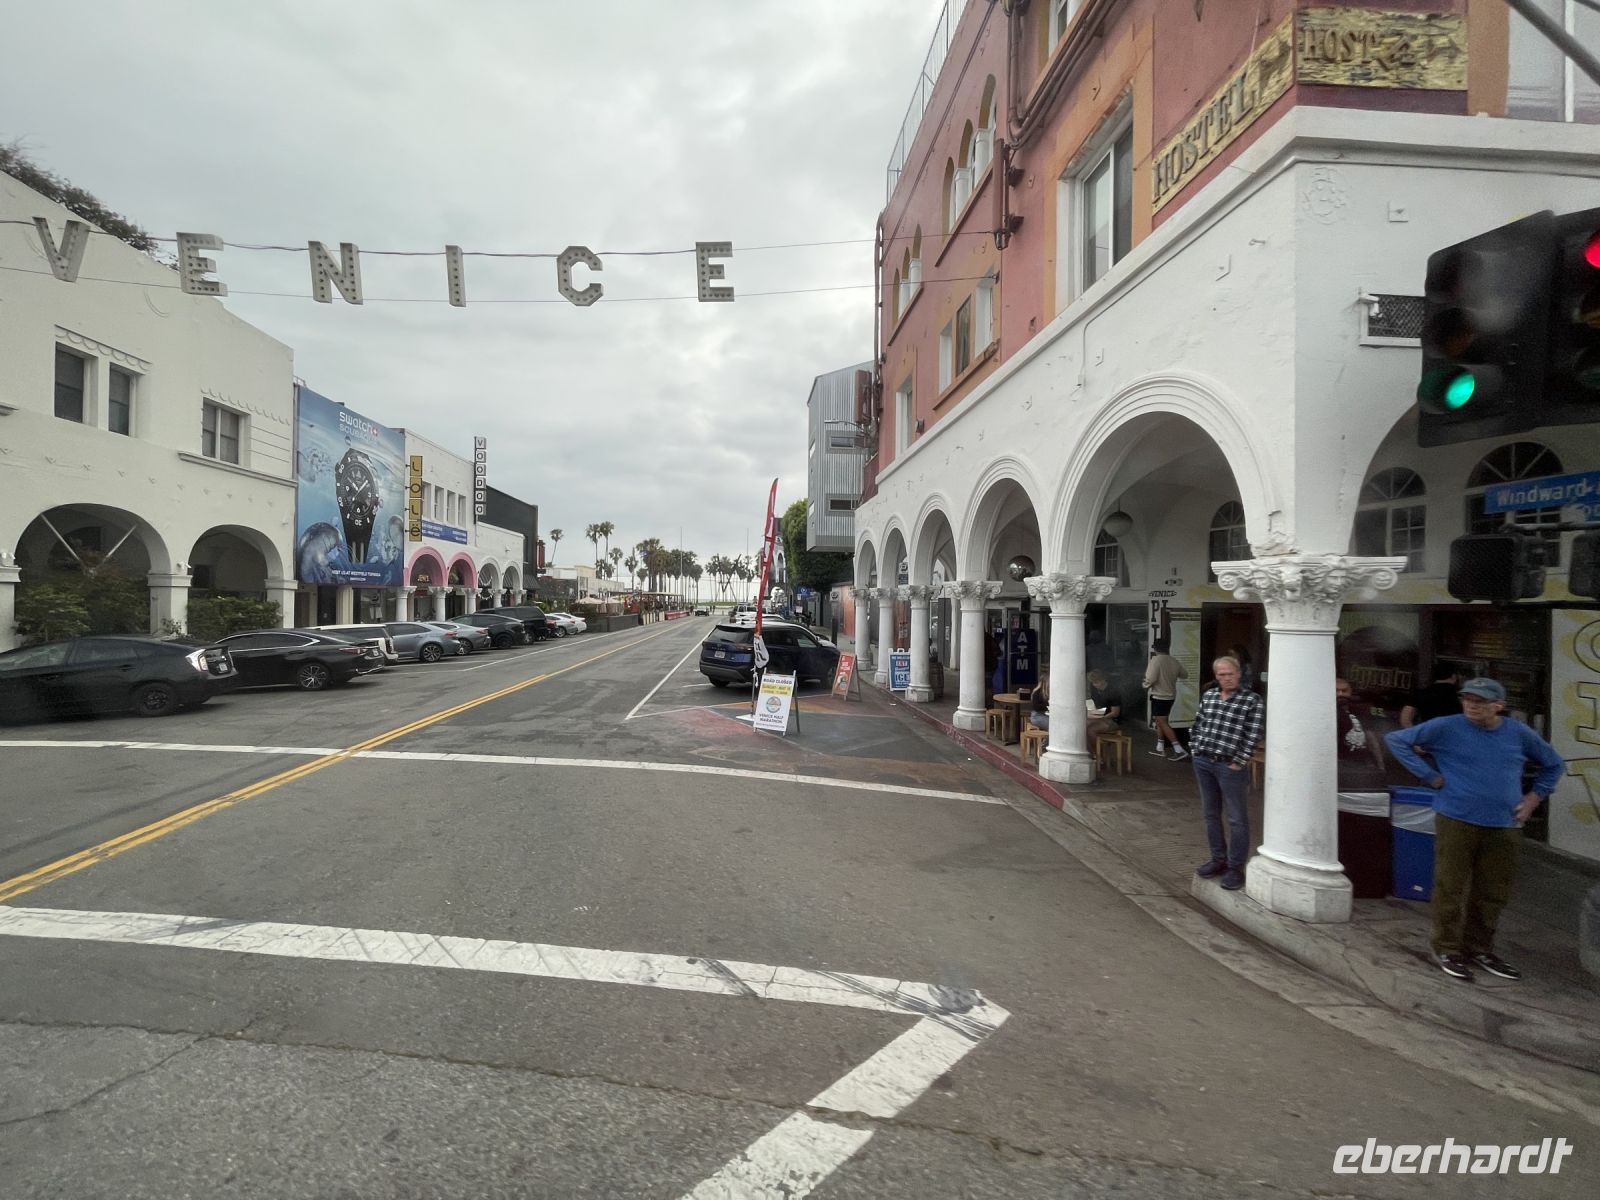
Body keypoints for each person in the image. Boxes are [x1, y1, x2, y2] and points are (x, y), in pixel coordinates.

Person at [1385, 678, 1565, 982]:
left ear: (1499, 705)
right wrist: (1429, 775)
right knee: (1450, 886)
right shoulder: (1446, 726)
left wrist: (1534, 799)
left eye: (1480, 701)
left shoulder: (1518, 732)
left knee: (1493, 890)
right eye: (1467, 699)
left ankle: (1479, 948)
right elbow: (1397, 740)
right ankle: (1446, 947)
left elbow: (1554, 764)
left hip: (1505, 822)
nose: (1472, 705)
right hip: (1456, 817)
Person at [1188, 656, 1265, 890]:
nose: (1226, 678)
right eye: (1221, 675)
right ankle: (1217, 859)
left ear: (1239, 673)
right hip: (1204, 761)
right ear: (1216, 676)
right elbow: (1198, 723)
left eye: (1230, 674)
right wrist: (1195, 748)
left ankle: (1235, 867)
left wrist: (1239, 761)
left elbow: (1254, 733)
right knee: (1210, 814)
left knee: (1237, 818)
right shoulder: (1210, 696)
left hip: (1229, 765)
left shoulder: (1252, 700)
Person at [1335, 677, 1387, 790]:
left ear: (1351, 691)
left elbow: (1371, 738)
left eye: (1344, 691)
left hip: (1362, 764)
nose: (1341, 694)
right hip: (1340, 766)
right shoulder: (1327, 712)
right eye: (1337, 691)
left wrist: (1380, 765)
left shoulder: (1360, 710)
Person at [1143, 638, 1189, 759]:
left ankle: (1179, 750)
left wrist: (1144, 685)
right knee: (1160, 721)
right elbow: (1185, 674)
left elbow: (1150, 679)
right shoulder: (1173, 660)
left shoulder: (1156, 660)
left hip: (1159, 696)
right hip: (1171, 696)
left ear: (1155, 648)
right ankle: (1160, 748)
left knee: (1162, 722)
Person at [1399, 668, 1465, 728]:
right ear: (1453, 676)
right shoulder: (1461, 696)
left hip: (1428, 732)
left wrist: (1416, 733)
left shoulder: (1422, 693)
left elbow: (1406, 718)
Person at [1086, 669, 1122, 742]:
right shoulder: (1094, 690)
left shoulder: (1113, 691)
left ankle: (1098, 748)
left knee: (1090, 730)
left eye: (1096, 682)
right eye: (1093, 683)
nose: (1094, 685)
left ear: (1103, 680)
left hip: (1112, 720)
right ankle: (1089, 748)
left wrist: (1101, 718)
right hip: (1097, 715)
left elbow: (1115, 713)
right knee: (1083, 725)